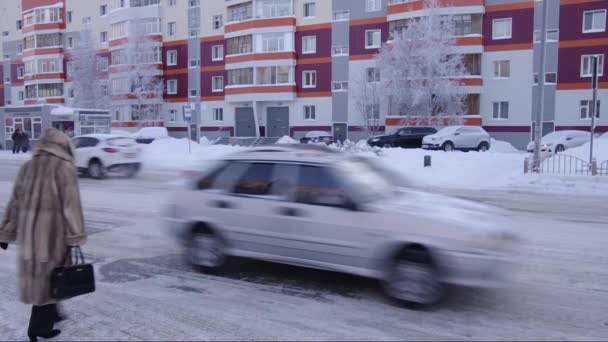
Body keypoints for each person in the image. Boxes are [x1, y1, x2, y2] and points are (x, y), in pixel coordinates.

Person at [0, 128, 87, 342]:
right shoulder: (64, 168)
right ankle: (38, 328)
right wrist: (76, 235)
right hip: (53, 236)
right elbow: (71, 207)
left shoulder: (27, 167)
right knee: (50, 281)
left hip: (30, 237)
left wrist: (6, 233)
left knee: (44, 278)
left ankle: (52, 316)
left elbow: (15, 203)